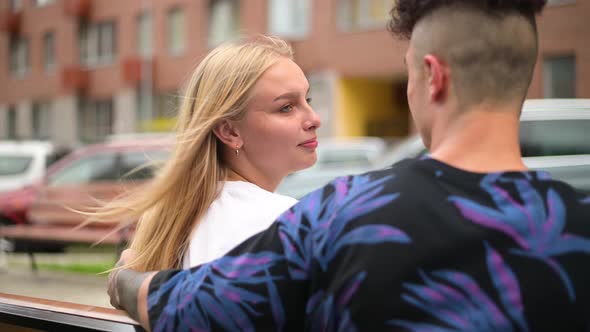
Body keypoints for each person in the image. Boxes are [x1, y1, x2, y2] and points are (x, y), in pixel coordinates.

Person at [109, 0, 590, 331]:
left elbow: (194, 309)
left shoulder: (343, 216)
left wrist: (123, 279)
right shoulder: (577, 223)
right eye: (286, 107)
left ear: (432, 77)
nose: (312, 118)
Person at [91, 35, 320, 273]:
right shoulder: (281, 221)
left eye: (308, 99)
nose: (314, 119)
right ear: (229, 131)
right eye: (286, 107)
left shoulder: (187, 212)